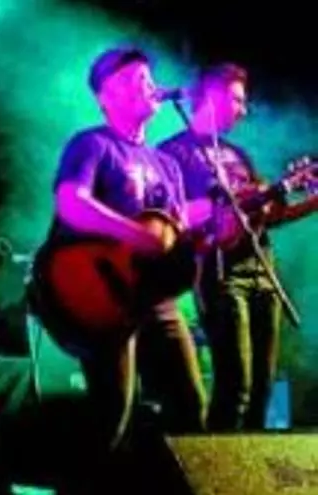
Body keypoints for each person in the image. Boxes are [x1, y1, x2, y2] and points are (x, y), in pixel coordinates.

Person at [33, 47, 210, 461]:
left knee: (190, 405)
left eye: (149, 79)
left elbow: (175, 232)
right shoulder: (92, 144)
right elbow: (71, 202)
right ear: (105, 97)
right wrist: (134, 235)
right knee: (112, 416)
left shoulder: (167, 164)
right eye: (134, 80)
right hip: (104, 294)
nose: (149, 86)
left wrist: (206, 235)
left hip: (154, 296)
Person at [159, 63, 317, 431]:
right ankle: (217, 462)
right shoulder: (172, 152)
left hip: (262, 269)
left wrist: (310, 200)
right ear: (212, 95)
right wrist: (215, 213)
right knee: (236, 386)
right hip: (219, 274)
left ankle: (254, 462)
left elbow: (271, 217)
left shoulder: (238, 154)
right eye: (237, 100)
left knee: (264, 387)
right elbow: (172, 217)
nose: (243, 110)